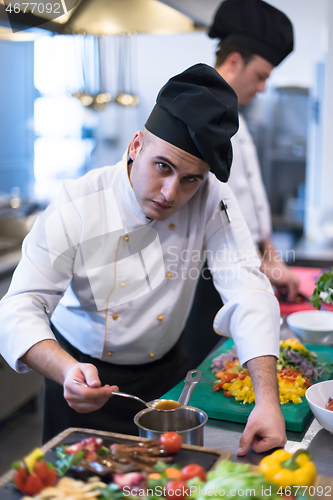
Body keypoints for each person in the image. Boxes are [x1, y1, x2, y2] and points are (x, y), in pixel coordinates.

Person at [0, 63, 286, 456]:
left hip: (166, 381)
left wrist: (267, 401)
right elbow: (18, 305)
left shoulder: (211, 199)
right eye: (163, 167)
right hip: (80, 379)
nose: (170, 193)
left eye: (190, 179)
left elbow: (249, 288)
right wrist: (66, 371)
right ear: (136, 145)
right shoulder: (79, 202)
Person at [184, 0, 301, 368]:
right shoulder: (200, 114)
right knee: (212, 370)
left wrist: (269, 252)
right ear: (234, 62)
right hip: (210, 278)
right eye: (261, 76)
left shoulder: (235, 112)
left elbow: (249, 197)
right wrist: (261, 263)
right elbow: (214, 210)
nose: (264, 88)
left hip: (246, 264)